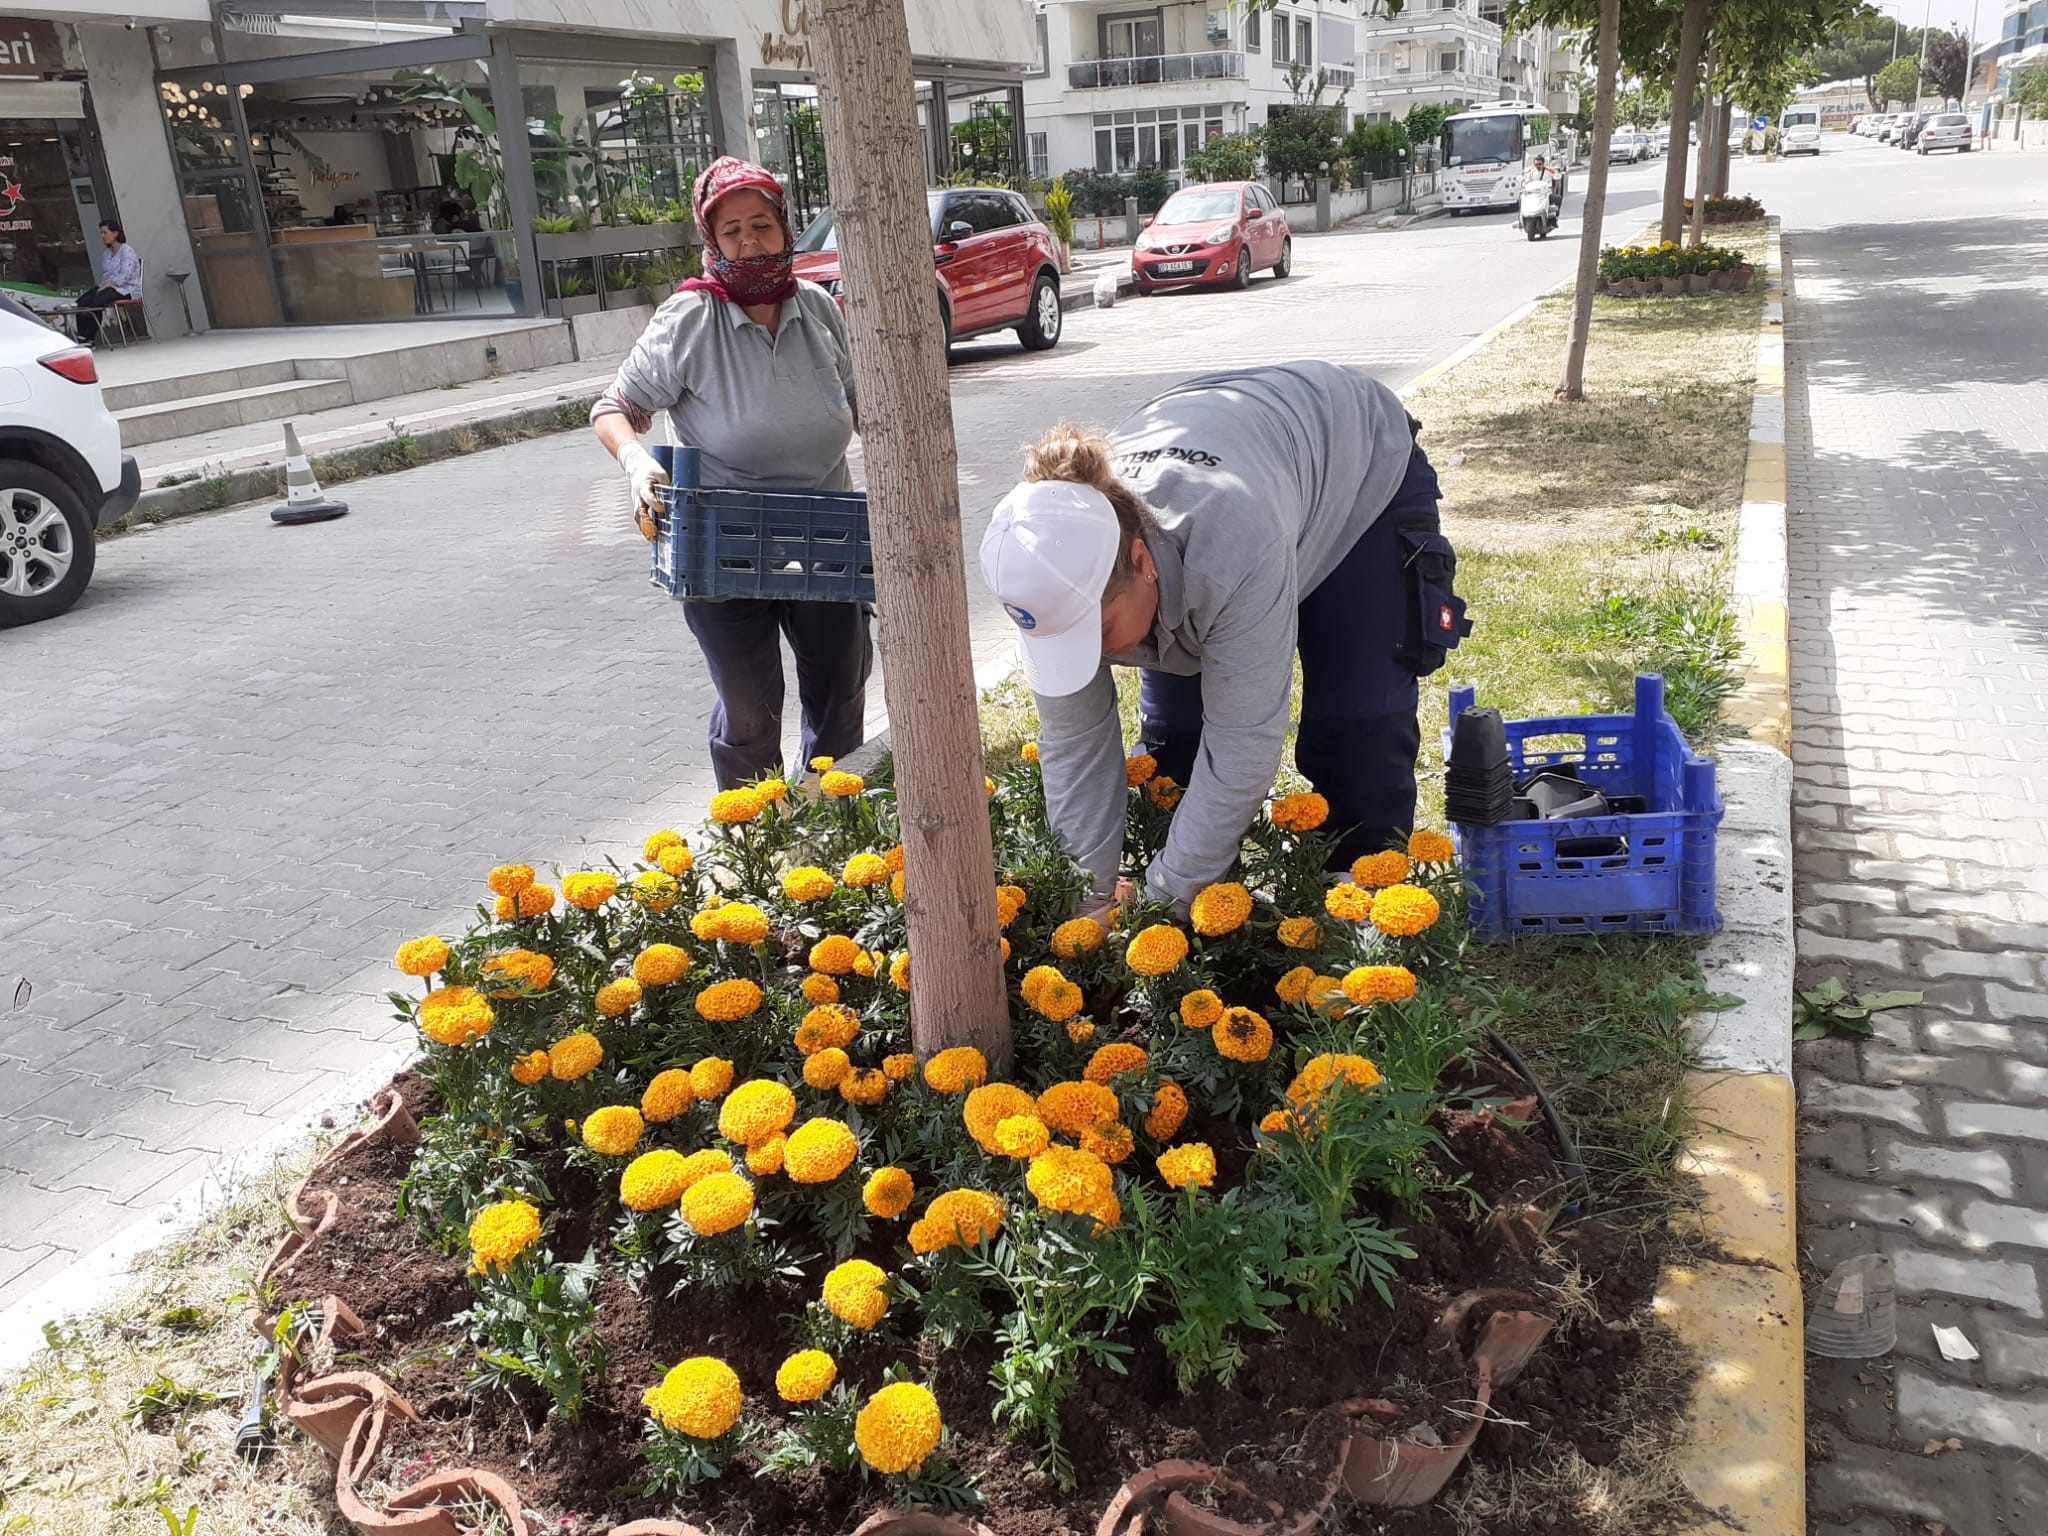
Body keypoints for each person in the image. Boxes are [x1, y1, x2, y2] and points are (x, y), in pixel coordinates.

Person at [979, 362, 1469, 910]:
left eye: (1101, 631)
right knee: (1174, 745)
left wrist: (1162, 904)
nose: (1091, 655)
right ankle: (1218, 912)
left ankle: (1363, 920)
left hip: (1354, 470)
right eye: (1067, 641)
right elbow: (1075, 749)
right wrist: (1088, 903)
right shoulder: (1049, 573)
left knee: (1355, 728)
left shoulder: (1232, 547)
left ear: (1142, 561)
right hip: (1239, 453)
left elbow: (1244, 742)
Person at [590, 156, 870, 790]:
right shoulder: (690, 318)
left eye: (763, 225)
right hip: (724, 544)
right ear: (711, 240)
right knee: (750, 709)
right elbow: (615, 408)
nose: (750, 242)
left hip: (824, 534)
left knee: (840, 692)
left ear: (785, 228)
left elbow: (863, 402)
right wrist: (636, 463)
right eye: (733, 230)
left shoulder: (819, 309)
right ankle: (759, 837)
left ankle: (833, 823)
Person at [75, 221, 139, 344]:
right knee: (82, 302)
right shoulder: (107, 254)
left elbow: (126, 274)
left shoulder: (127, 251)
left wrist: (111, 284)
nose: (102, 236)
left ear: (115, 233)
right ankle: (82, 336)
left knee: (96, 303)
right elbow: (106, 275)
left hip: (126, 288)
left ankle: (89, 337)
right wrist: (105, 285)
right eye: (101, 233)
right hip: (108, 286)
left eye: (105, 232)